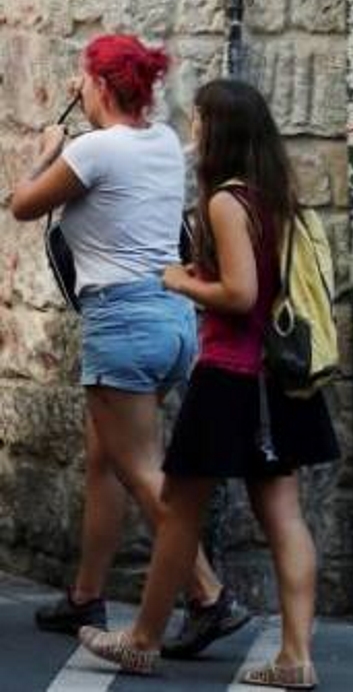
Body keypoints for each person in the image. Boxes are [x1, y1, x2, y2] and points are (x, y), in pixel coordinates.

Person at [79, 78, 338, 689]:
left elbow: (241, 295)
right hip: (278, 383)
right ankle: (296, 658)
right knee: (285, 517)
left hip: (231, 379)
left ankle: (143, 640)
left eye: (197, 120)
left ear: (217, 129)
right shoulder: (275, 197)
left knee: (177, 512)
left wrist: (181, 281)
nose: (191, 129)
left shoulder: (226, 201)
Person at [7, 34, 249, 654]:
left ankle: (209, 596)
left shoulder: (93, 152)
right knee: (105, 458)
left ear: (101, 87)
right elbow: (115, 142)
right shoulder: (161, 141)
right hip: (172, 321)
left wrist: (45, 153)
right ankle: (86, 593)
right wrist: (93, 98)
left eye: (87, 80)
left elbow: (23, 206)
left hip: (122, 324)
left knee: (142, 471)